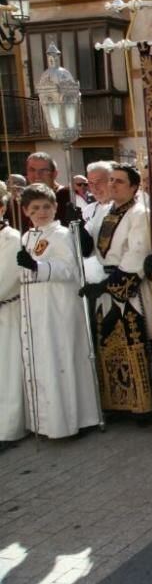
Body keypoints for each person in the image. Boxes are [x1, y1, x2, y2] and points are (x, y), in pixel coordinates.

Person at [16, 183, 100, 438]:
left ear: (55, 208)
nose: (41, 212)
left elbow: (71, 269)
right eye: (35, 208)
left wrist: (38, 266)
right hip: (36, 306)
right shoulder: (28, 236)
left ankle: (73, 420)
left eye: (46, 207)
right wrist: (28, 267)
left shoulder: (62, 234)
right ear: (25, 211)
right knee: (43, 361)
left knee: (61, 358)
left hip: (59, 305)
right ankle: (48, 422)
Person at [82, 163, 152, 422]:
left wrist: (106, 287)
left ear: (134, 187)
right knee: (109, 345)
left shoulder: (139, 213)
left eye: (119, 181)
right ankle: (117, 402)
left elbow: (137, 253)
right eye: (110, 180)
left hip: (129, 285)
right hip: (105, 280)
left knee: (132, 342)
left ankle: (142, 405)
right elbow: (89, 247)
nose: (112, 185)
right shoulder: (103, 211)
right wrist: (77, 226)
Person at [0, 182, 26, 446]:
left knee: (7, 373)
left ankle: (9, 429)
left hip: (7, 310)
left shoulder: (12, 238)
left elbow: (5, 278)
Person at [11, 153, 76, 228]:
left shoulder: (67, 195)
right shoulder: (20, 200)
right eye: (32, 170)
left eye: (43, 170)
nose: (37, 175)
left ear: (54, 174)